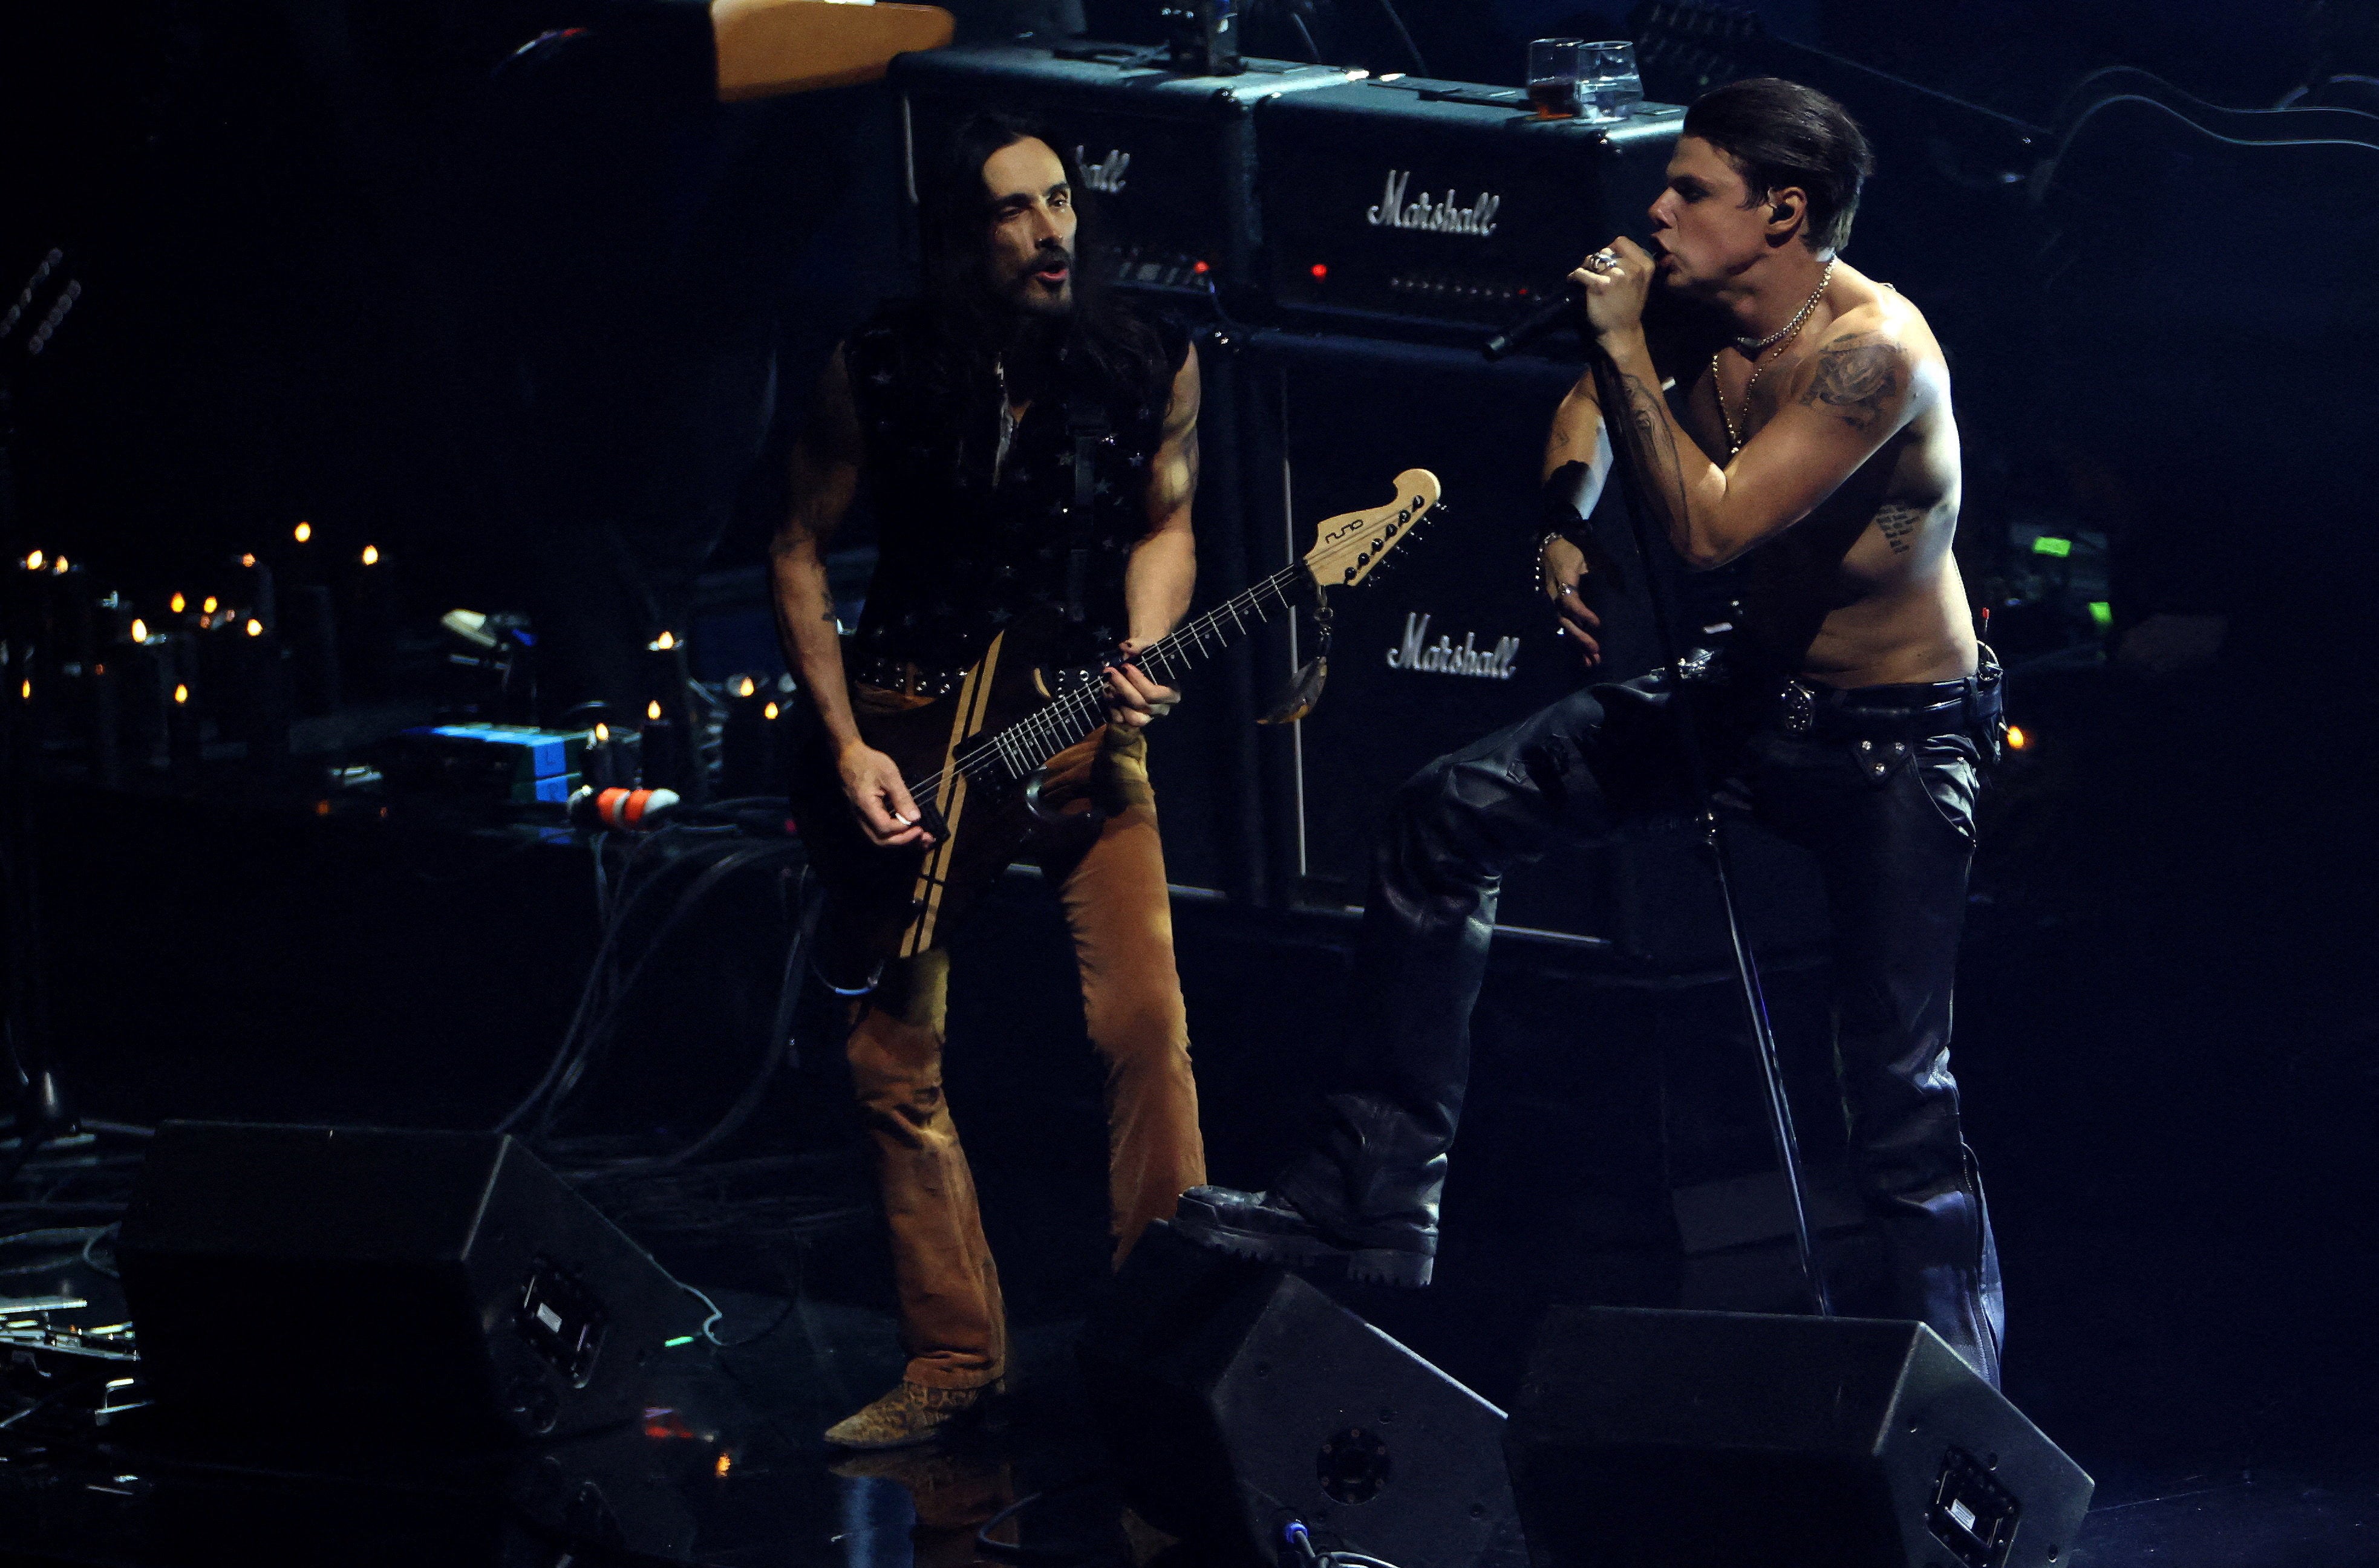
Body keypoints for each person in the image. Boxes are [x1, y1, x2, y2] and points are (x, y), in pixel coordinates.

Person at [1175, 77, 2006, 1384]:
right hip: (1747, 695)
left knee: (1896, 1091)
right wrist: (1568, 514)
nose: (1656, 209)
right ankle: (1371, 1195)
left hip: (1889, 741)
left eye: (1688, 190)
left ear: (1780, 212)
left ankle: (1958, 1421)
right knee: (1446, 811)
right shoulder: (1694, 307)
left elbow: (1713, 527)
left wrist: (1622, 347)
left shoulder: (1873, 357)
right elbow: (1586, 403)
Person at [771, 112, 1207, 1446]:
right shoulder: (879, 367)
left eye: (1062, 200)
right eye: (1015, 211)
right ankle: (955, 1360)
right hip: (916, 727)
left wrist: (1140, 645)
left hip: (1079, 727)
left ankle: (1169, 1347)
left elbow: (1167, 521)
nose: (1051, 230)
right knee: (890, 1050)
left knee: (1144, 1028)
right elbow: (796, 549)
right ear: (962, 237)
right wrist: (846, 743)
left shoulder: (1145, 361)